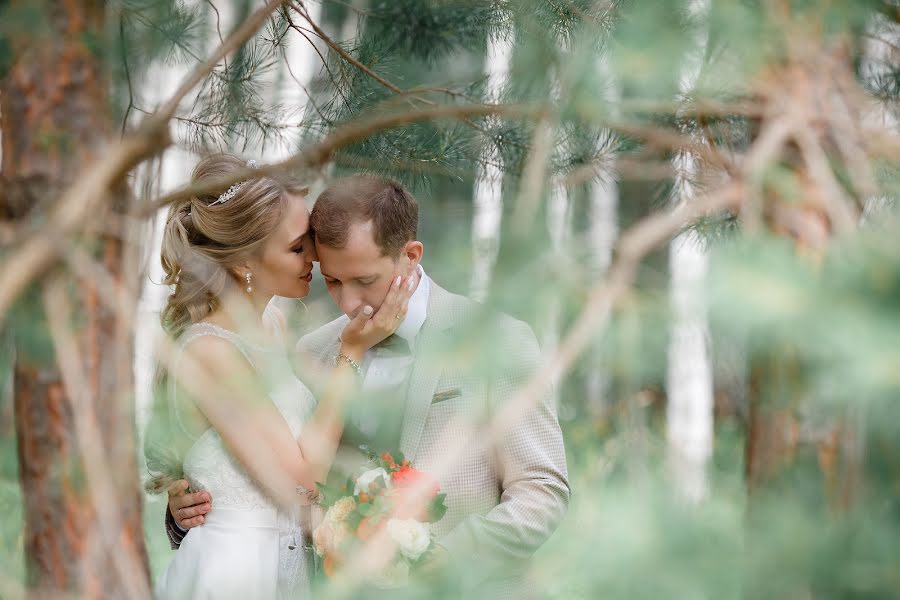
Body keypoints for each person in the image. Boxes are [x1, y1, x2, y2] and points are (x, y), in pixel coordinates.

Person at [168, 174, 570, 598]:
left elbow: (542, 492)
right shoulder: (316, 351)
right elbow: (272, 472)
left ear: (410, 255)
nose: (348, 304)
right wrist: (187, 517)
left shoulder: (498, 341)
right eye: (334, 281)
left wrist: (450, 559)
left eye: (364, 280)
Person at [147, 155, 413, 600]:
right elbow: (302, 479)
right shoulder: (211, 351)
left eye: (308, 239)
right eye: (296, 248)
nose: (314, 256)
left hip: (287, 564)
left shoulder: (273, 326)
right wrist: (352, 351)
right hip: (236, 574)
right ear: (243, 263)